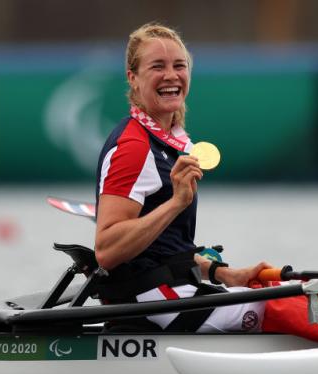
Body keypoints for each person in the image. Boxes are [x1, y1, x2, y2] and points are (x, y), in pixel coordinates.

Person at [94, 22, 270, 332]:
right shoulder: (133, 147)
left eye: (179, 66)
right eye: (157, 67)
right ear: (133, 79)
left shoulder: (171, 140)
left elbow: (164, 249)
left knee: (311, 296)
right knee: (290, 304)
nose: (171, 76)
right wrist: (176, 203)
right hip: (153, 301)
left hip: (172, 292)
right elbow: (107, 250)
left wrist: (224, 274)